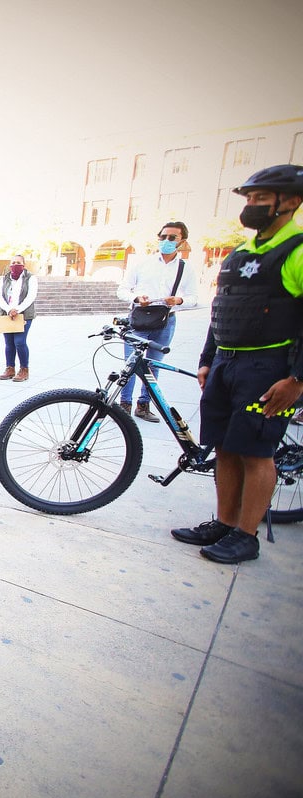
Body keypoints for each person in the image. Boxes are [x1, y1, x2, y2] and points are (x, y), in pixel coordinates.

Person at [172, 165, 303, 564]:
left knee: (255, 451)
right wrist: (208, 360)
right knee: (226, 447)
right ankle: (225, 523)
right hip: (228, 363)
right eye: (249, 199)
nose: (251, 206)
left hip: (268, 366)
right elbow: (222, 310)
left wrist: (297, 378)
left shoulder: (297, 250)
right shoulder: (243, 253)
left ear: (292, 202)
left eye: (261, 199)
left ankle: (247, 536)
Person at [115, 221, 198, 420]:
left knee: (154, 365)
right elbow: (122, 290)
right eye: (163, 237)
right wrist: (136, 298)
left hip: (165, 320)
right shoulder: (142, 263)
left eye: (172, 238)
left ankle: (143, 405)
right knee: (131, 363)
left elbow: (194, 297)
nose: (166, 241)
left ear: (182, 241)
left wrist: (179, 300)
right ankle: (124, 405)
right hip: (139, 318)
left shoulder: (185, 268)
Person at [0, 254, 39, 382]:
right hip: (6, 314)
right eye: (13, 262)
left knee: (19, 342)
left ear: (24, 265)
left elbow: (31, 296)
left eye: (18, 262)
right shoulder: (4, 279)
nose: (15, 265)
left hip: (24, 314)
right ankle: (10, 368)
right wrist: (9, 309)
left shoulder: (30, 278)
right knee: (9, 343)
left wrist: (17, 310)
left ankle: (24, 369)